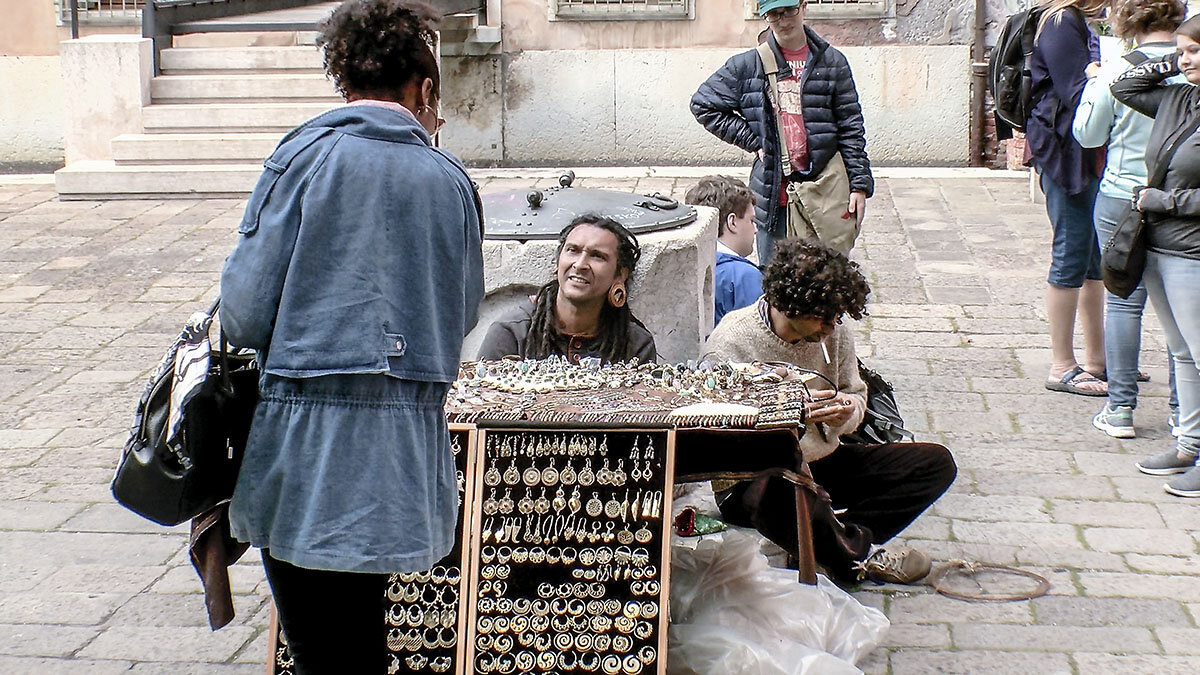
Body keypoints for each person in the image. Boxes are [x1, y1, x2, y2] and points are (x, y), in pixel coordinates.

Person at [218, 1, 485, 670]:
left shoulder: (302, 157)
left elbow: (243, 315)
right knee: (362, 639)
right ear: (425, 91)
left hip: (302, 451)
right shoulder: (451, 181)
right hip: (400, 454)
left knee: (319, 647)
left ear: (344, 83)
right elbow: (460, 314)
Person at [703, 239, 956, 584]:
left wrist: (846, 412)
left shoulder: (831, 331)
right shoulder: (732, 342)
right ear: (793, 305)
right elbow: (717, 434)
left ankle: (829, 542)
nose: (831, 328)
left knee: (934, 464)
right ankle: (854, 556)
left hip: (823, 459)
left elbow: (855, 392)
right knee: (783, 490)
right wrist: (792, 414)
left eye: (837, 318)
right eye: (824, 319)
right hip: (755, 476)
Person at [1073, 0, 1185, 437]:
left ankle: (1120, 409)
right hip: (1178, 198)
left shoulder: (1118, 71)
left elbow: (1088, 134)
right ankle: (1183, 411)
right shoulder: (1190, 67)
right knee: (1181, 305)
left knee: (1123, 300)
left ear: (1125, 20)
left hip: (1123, 195)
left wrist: (1092, 85)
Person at [690, 0, 872, 264]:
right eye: (774, 14)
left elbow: (851, 128)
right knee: (774, 282)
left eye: (789, 11)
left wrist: (859, 185)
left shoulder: (832, 62)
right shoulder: (749, 65)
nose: (783, 20)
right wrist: (754, 141)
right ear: (765, 16)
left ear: (804, 6)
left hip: (824, 193)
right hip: (774, 196)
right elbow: (703, 104)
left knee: (823, 279)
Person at [1111, 14, 1200, 497]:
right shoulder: (1179, 98)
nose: (1185, 61)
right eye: (1183, 52)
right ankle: (1189, 444)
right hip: (1160, 246)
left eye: (1194, 52)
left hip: (1194, 252)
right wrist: (1176, 56)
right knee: (1183, 354)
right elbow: (1124, 84)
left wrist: (1163, 201)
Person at [1026, 0, 1110, 397]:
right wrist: (1109, 76)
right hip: (1064, 153)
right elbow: (1074, 90)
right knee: (1071, 251)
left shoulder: (1078, 21)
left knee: (1094, 258)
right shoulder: (1061, 22)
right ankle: (1062, 365)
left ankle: (1097, 360)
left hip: (1083, 151)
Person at [477, 214, 657, 365]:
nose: (580, 264)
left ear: (620, 275)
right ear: (557, 263)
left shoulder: (635, 344)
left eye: (597, 256)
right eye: (573, 250)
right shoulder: (512, 332)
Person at [684, 176, 763, 326]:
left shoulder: (687, 264)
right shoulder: (744, 276)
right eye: (751, 221)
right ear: (732, 222)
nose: (755, 230)